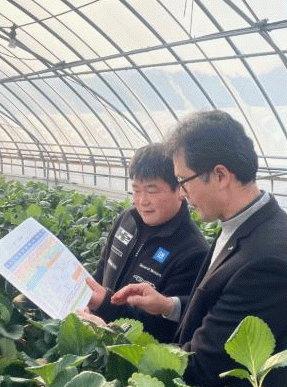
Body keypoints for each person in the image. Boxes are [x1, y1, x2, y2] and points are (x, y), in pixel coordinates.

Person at [111, 111, 287, 387]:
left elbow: (207, 365)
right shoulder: (244, 225)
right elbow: (221, 305)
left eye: (183, 181)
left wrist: (116, 342)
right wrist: (169, 306)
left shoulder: (268, 261)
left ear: (220, 175)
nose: (182, 192)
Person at [81, 143, 208, 343]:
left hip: (131, 350)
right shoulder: (127, 219)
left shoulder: (194, 252)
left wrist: (104, 306)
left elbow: (166, 328)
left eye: (152, 190)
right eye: (136, 190)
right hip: (92, 332)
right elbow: (102, 269)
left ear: (179, 189)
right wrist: (87, 305)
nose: (142, 201)